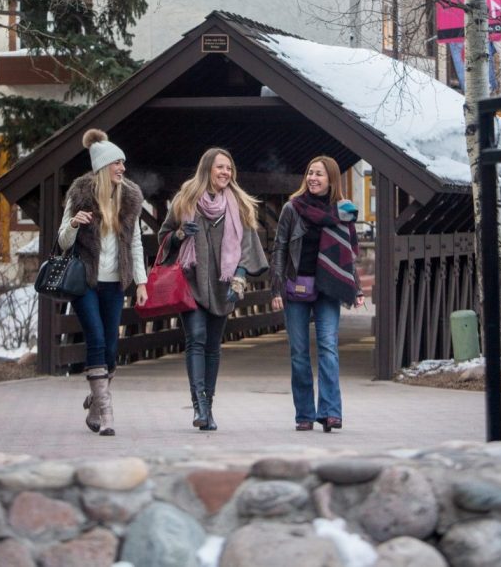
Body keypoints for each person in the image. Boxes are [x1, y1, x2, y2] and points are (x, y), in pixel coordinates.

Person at [157, 147, 268, 431]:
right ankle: (200, 406)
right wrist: (180, 235)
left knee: (213, 347)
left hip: (223, 285)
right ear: (207, 168)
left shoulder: (239, 203)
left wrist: (240, 276)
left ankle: (209, 404)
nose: (225, 173)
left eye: (229, 168)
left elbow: (248, 244)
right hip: (191, 281)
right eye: (220, 167)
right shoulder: (185, 200)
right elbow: (164, 236)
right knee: (196, 338)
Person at [58, 128, 148, 436]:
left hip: (114, 284)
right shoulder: (79, 195)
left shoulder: (131, 198)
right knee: (96, 338)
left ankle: (96, 400)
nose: (122, 168)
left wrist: (142, 283)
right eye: (116, 163)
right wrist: (73, 224)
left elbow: (135, 243)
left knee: (110, 348)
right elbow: (62, 241)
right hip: (86, 281)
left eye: (123, 163)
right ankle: (107, 413)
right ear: (101, 167)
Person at [270, 155, 364, 432]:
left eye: (319, 174)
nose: (312, 178)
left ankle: (331, 412)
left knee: (328, 349)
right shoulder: (292, 208)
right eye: (310, 173)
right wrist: (276, 287)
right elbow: (279, 248)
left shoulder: (343, 212)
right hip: (296, 285)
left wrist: (355, 286)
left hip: (328, 288)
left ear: (331, 179)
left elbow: (348, 256)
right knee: (299, 353)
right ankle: (305, 414)